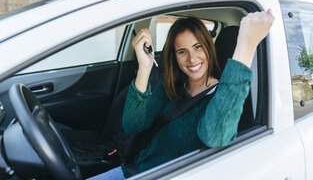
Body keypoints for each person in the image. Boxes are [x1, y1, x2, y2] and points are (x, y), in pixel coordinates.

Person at [88, 10, 274, 180]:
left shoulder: (223, 97)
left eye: (198, 47)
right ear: (175, 56)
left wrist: (246, 45)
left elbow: (214, 136)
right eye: (182, 52)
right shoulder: (170, 88)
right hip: (135, 170)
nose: (192, 59)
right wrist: (144, 68)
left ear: (209, 47)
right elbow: (133, 124)